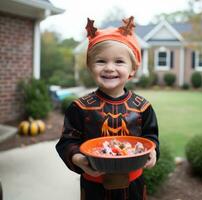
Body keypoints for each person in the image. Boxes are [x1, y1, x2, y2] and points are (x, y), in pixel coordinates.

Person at [56, 16, 160, 200]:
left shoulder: (143, 107)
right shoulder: (80, 108)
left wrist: (153, 152)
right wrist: (78, 159)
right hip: (94, 187)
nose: (109, 68)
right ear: (90, 66)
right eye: (101, 61)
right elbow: (66, 143)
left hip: (134, 186)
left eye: (119, 62)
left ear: (133, 68)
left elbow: (150, 138)